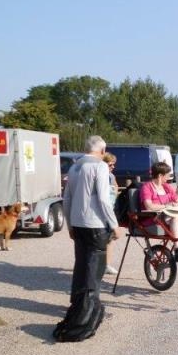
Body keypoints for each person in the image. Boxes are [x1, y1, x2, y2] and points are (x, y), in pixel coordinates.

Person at [55, 135, 122, 342]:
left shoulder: (75, 167)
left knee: (81, 268)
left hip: (78, 224)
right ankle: (85, 319)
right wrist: (114, 224)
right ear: (103, 150)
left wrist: (69, 225)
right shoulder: (100, 167)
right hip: (95, 225)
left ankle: (78, 310)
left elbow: (67, 199)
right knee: (94, 272)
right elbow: (103, 199)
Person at [139, 162, 178, 243]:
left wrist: (177, 204)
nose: (168, 177)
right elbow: (149, 206)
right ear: (160, 175)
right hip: (154, 218)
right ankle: (177, 247)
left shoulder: (166, 187)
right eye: (167, 175)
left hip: (167, 215)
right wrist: (166, 206)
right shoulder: (147, 187)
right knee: (176, 217)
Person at [102, 152, 119, 275]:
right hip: (100, 212)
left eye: (114, 165)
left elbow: (116, 187)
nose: (113, 167)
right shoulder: (100, 176)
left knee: (109, 239)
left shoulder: (111, 176)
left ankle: (106, 265)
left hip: (110, 209)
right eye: (110, 164)